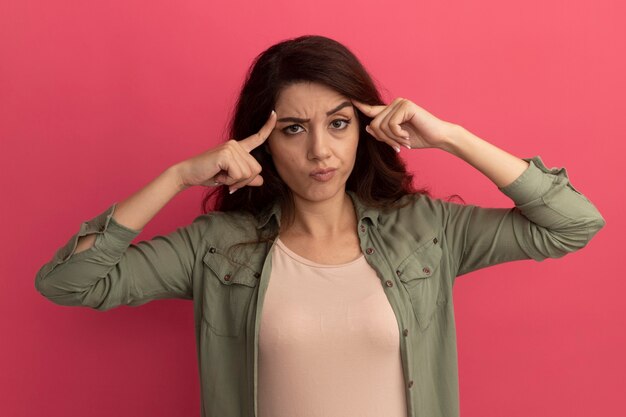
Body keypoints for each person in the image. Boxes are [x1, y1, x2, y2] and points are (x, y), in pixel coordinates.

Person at [35, 34, 605, 417]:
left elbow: (572, 223)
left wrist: (451, 137)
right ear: (261, 139)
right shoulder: (216, 248)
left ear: (365, 129)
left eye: (338, 124)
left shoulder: (427, 230)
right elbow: (69, 282)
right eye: (292, 129)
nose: (319, 151)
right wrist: (177, 176)